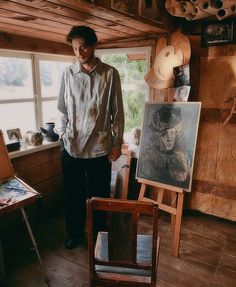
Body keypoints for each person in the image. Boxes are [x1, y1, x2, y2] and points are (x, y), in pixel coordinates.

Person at [57, 26, 124, 249]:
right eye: (75, 48)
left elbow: (118, 113)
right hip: (72, 146)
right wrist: (63, 135)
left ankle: (99, 236)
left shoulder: (109, 74)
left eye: (83, 46)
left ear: (94, 45)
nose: (79, 52)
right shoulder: (68, 74)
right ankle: (74, 233)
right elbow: (62, 110)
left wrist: (116, 144)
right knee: (72, 196)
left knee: (99, 197)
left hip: (99, 147)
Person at [139, 106, 190, 189]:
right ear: (158, 136)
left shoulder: (180, 158)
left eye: (172, 133)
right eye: (164, 134)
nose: (170, 139)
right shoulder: (149, 157)